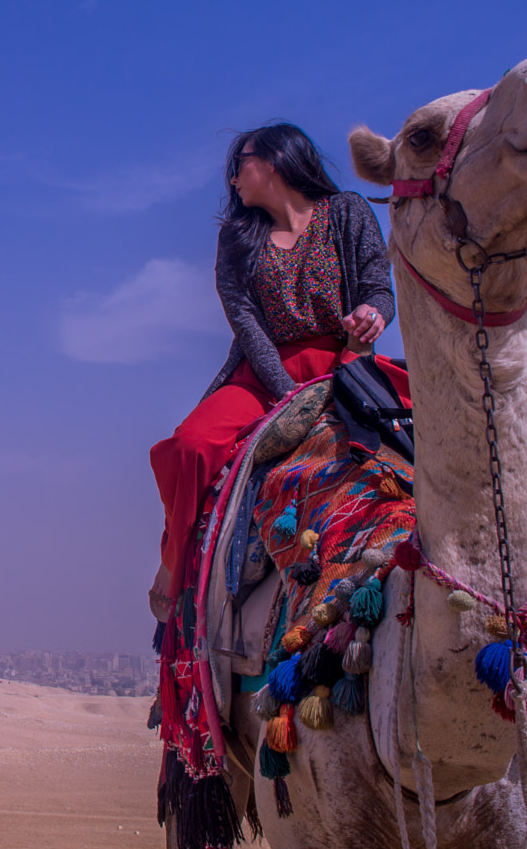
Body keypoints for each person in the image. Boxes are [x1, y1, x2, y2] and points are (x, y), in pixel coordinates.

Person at [148, 122, 395, 620]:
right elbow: (247, 326)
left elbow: (378, 286)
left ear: (278, 159)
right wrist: (290, 398)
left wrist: (372, 315)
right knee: (192, 445)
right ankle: (174, 565)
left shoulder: (347, 212)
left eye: (239, 165)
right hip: (265, 373)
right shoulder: (237, 239)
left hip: (345, 365)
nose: (233, 181)